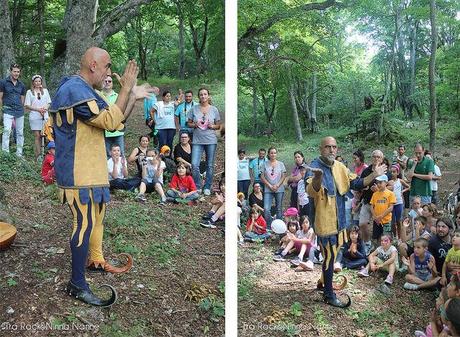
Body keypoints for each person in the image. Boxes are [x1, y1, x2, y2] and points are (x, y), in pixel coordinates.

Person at [49, 47, 152, 306]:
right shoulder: (73, 90)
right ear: (93, 65)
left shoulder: (87, 91)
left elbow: (115, 120)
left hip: (92, 169)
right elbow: (109, 121)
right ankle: (76, 283)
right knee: (83, 223)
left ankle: (95, 259)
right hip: (77, 171)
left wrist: (132, 98)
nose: (109, 72)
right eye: (106, 67)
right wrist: (127, 89)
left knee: (97, 218)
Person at [306, 136, 387, 307]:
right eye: (328, 147)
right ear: (321, 149)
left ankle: (324, 282)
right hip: (325, 222)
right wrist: (318, 177)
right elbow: (312, 190)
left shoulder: (340, 166)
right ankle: (329, 294)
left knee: (332, 255)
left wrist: (374, 174)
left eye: (334, 147)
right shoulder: (314, 166)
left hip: (340, 220)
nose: (332, 150)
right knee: (329, 257)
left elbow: (357, 183)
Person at [187, 87, 221, 196]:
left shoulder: (214, 109)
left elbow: (218, 125)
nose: (203, 96)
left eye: (205, 94)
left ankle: (207, 186)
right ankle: (197, 186)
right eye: (201, 94)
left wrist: (212, 126)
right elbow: (188, 123)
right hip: (197, 140)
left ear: (208, 96)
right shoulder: (194, 109)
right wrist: (194, 124)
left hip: (211, 140)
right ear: (199, 97)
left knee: (209, 165)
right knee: (194, 164)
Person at [358, 149, 390, 255]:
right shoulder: (366, 171)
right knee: (362, 224)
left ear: (382, 159)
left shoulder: (385, 170)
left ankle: (382, 249)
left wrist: (379, 190)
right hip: (367, 201)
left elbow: (391, 186)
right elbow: (359, 184)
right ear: (371, 158)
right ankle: (367, 244)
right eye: (374, 156)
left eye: (378, 157)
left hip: (381, 204)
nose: (376, 159)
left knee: (381, 227)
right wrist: (365, 188)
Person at [24, 74, 52, 161]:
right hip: (35, 116)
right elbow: (27, 105)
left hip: (44, 115)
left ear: (41, 82)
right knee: (37, 136)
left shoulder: (45, 91)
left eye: (39, 81)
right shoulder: (29, 92)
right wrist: (38, 109)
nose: (37, 83)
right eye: (36, 81)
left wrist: (45, 109)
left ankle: (47, 154)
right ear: (33, 82)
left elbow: (48, 102)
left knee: (45, 134)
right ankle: (38, 155)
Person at [1, 63, 26, 156]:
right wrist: (1, 109)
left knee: (20, 133)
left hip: (19, 111)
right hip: (7, 110)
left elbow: (22, 98)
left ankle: (19, 154)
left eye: (18, 72)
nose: (16, 73)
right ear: (11, 71)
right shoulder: (3, 82)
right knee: (7, 131)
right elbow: (0, 97)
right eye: (14, 71)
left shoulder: (22, 85)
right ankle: (5, 153)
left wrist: (21, 107)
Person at [260, 146, 286, 226]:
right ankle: (269, 225)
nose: (273, 154)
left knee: (278, 208)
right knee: (266, 208)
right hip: (268, 189)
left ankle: (278, 226)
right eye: (271, 153)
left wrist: (277, 185)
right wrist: (270, 186)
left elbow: (283, 175)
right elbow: (262, 176)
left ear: (276, 154)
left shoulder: (281, 164)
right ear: (268, 154)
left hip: (279, 189)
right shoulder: (264, 164)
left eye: (274, 153)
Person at [102, 75, 125, 158]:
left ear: (112, 84)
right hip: (103, 131)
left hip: (118, 131)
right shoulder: (98, 96)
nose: (107, 83)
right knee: (107, 155)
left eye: (109, 81)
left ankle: (121, 171)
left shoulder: (118, 96)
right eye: (105, 81)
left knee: (120, 154)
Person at [370, 175, 396, 241]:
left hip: (386, 221)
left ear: (386, 183)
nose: (378, 184)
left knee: (386, 238)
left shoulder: (390, 194)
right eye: (377, 182)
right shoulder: (375, 194)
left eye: (380, 182)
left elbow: (391, 208)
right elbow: (371, 206)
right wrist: (375, 217)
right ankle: (378, 250)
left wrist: (381, 216)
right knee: (376, 238)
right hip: (376, 221)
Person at [387, 164, 409, 239]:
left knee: (399, 221)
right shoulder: (388, 182)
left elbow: (408, 187)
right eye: (391, 172)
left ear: (398, 172)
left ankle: (399, 237)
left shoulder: (400, 181)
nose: (392, 173)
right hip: (391, 203)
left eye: (394, 172)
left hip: (399, 202)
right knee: (392, 222)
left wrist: (402, 191)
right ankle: (394, 236)